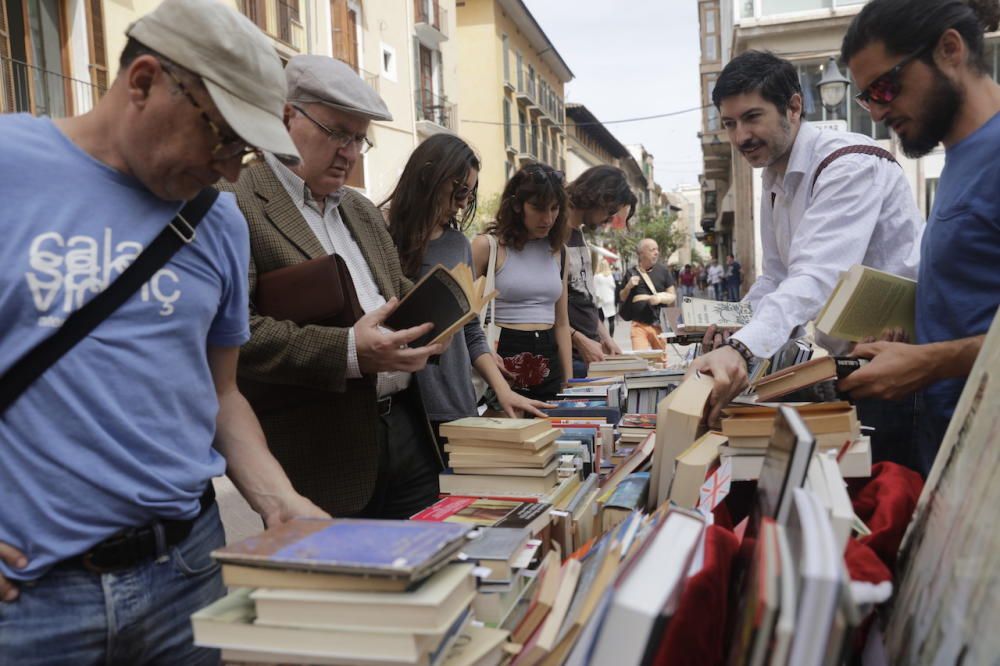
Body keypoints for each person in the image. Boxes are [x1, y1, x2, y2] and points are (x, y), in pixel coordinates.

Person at [0, 0, 327, 660]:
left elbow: (220, 393)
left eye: (247, 150)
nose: (232, 171)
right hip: (29, 601)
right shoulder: (9, 167)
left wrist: (279, 498)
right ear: (145, 81)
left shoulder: (220, 223)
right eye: (223, 138)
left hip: (188, 574)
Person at [223, 55, 445, 520]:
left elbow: (394, 295)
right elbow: (235, 333)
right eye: (337, 133)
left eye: (358, 138)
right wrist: (348, 351)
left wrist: (434, 319)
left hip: (406, 433)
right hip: (319, 456)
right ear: (286, 117)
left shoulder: (360, 211)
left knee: (423, 579)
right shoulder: (236, 202)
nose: (350, 152)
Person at [688, 50, 923, 423]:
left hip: (895, 365)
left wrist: (742, 347)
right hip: (847, 364)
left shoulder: (849, 164)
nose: (741, 137)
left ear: (794, 107)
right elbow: (776, 276)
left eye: (752, 118)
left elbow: (816, 277)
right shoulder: (773, 178)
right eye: (730, 123)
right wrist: (736, 324)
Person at [838, 0, 1000, 474]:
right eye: (868, 97)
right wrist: (907, 342)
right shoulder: (958, 160)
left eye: (887, 87)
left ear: (950, 49)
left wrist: (928, 362)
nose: (878, 112)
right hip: (956, 454)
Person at [382, 134, 550, 429]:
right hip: (403, 406)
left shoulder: (458, 244)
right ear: (429, 177)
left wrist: (503, 390)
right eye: (459, 192)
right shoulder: (381, 232)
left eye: (469, 195)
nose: (462, 204)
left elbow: (470, 329)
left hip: (457, 401)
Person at [472, 164, 572, 402]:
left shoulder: (560, 252)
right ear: (517, 205)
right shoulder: (487, 247)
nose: (547, 218)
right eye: (537, 208)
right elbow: (465, 321)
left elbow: (561, 322)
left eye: (554, 208)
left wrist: (570, 383)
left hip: (550, 362)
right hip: (501, 361)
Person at [563, 165, 636, 376]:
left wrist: (605, 337)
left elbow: (583, 298)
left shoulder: (579, 235)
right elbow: (543, 307)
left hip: (588, 354)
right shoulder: (556, 233)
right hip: (569, 358)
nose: (609, 220)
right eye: (610, 212)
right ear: (599, 197)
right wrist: (578, 339)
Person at [619, 238, 676, 350]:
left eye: (657, 249)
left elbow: (672, 296)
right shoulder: (631, 272)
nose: (656, 252)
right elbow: (622, 297)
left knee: (661, 362)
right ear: (641, 254)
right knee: (641, 360)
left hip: (658, 325)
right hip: (638, 325)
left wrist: (659, 299)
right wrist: (628, 286)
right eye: (652, 250)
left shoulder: (663, 271)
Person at [594, 259, 619, 338]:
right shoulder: (610, 276)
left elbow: (594, 288)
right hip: (610, 300)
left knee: (601, 321)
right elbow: (613, 287)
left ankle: (603, 337)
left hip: (601, 300)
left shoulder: (597, 276)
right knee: (611, 321)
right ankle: (611, 337)